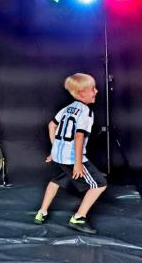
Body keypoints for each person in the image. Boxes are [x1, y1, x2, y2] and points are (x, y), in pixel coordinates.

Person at [33, 73, 107, 234]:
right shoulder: (86, 112)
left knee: (56, 180)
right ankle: (78, 218)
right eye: (93, 88)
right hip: (71, 158)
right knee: (99, 184)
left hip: (59, 156)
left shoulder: (66, 109)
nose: (96, 91)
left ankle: (42, 212)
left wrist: (55, 149)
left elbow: (51, 125)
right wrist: (78, 163)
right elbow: (79, 137)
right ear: (82, 93)